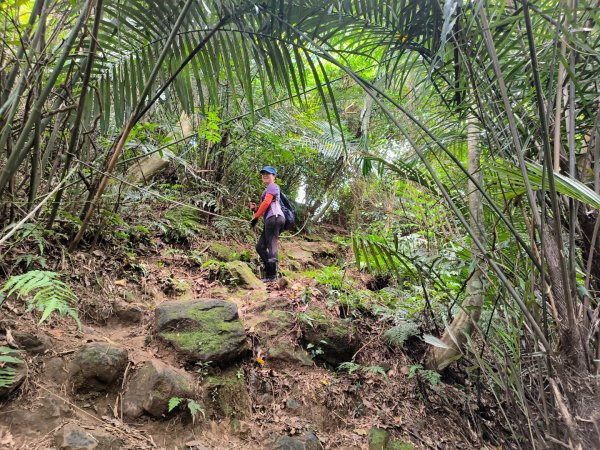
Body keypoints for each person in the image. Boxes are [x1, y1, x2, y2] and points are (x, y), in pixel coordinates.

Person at [249, 166, 285, 281]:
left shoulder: (273, 186)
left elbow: (267, 202)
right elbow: (267, 206)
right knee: (260, 247)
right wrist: (256, 210)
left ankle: (272, 275)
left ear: (274, 176)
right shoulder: (269, 188)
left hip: (274, 218)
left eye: (268, 173)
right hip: (271, 218)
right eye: (263, 173)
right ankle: (270, 273)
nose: (264, 175)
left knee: (272, 245)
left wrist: (256, 216)